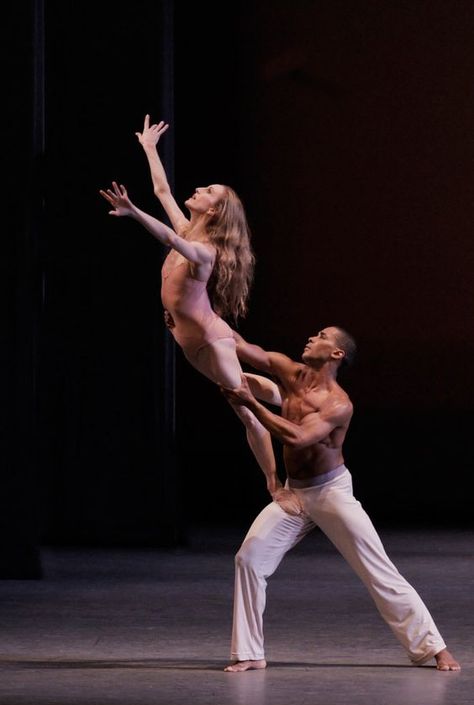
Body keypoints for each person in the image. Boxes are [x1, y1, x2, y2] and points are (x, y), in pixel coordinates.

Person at [221, 326, 461, 672]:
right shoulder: (288, 371)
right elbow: (240, 346)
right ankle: (250, 653)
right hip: (295, 493)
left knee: (376, 569)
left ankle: (434, 648)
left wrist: (251, 403)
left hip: (331, 492)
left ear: (337, 354)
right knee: (249, 559)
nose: (310, 337)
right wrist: (197, 311)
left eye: (321, 336)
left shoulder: (338, 404)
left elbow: (299, 436)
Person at [99, 117, 296, 513]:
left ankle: (275, 486)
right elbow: (162, 189)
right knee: (243, 386)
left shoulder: (205, 251)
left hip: (211, 342)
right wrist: (149, 148)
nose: (198, 190)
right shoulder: (192, 232)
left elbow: (169, 237)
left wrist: (134, 212)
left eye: (208, 191)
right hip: (195, 344)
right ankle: (294, 398)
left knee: (245, 409)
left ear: (216, 210)